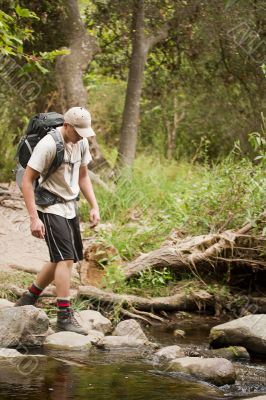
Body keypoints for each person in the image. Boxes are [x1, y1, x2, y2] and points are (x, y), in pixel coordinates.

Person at [15, 107, 100, 335]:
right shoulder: (49, 144)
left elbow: (83, 176)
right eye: (78, 131)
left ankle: (29, 297)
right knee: (66, 258)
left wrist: (94, 205)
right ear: (67, 125)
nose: (82, 135)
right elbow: (27, 180)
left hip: (70, 205)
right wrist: (34, 218)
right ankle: (64, 315)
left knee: (60, 257)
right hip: (49, 205)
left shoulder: (81, 142)